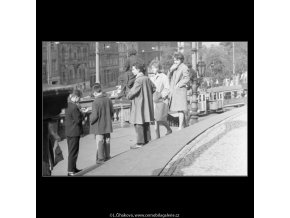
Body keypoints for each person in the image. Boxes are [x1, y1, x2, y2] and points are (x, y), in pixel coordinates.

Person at [127, 58, 156, 149]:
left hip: (139, 105)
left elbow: (132, 93)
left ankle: (140, 142)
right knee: (145, 121)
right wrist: (147, 94)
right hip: (146, 105)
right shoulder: (147, 78)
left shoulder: (138, 80)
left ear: (138, 70)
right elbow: (154, 88)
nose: (132, 71)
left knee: (138, 122)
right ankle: (147, 139)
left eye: (133, 69)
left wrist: (128, 95)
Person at [90, 83, 114, 164]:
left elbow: (94, 116)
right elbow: (112, 112)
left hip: (99, 125)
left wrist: (90, 120)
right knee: (107, 140)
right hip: (107, 124)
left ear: (95, 92)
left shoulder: (95, 102)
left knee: (100, 141)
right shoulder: (108, 99)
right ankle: (107, 156)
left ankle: (100, 158)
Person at [149, 60, 172, 139]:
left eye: (155, 68)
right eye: (152, 68)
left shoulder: (164, 77)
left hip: (161, 101)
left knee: (160, 118)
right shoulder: (151, 78)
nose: (153, 69)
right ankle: (157, 136)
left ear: (159, 68)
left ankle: (168, 129)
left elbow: (167, 88)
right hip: (154, 100)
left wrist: (161, 95)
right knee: (156, 119)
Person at [168, 52, 190, 130]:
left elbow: (187, 78)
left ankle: (181, 126)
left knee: (181, 109)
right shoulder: (174, 67)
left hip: (180, 90)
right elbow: (169, 77)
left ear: (181, 59)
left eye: (177, 60)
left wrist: (179, 84)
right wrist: (170, 70)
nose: (175, 62)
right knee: (179, 109)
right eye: (174, 60)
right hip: (175, 91)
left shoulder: (184, 67)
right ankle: (183, 125)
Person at [65, 89, 84, 176]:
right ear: (75, 97)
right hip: (74, 132)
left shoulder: (68, 105)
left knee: (72, 151)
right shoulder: (74, 107)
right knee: (73, 152)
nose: (79, 99)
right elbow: (78, 120)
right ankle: (70, 171)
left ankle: (73, 168)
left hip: (69, 132)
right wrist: (82, 113)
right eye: (79, 98)